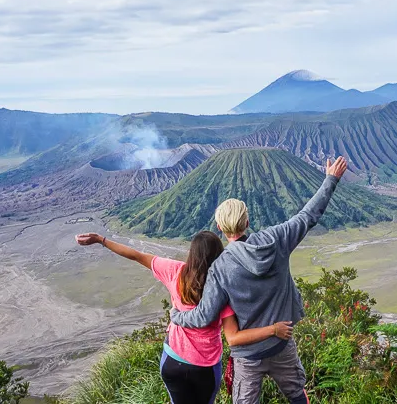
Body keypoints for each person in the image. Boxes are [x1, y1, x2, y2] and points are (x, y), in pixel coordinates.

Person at [170, 156, 349, 404]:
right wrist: (331, 179)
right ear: (247, 222)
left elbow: (204, 316)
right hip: (281, 343)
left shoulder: (220, 269)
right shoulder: (276, 240)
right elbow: (308, 215)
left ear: (220, 228)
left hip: (248, 356)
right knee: (298, 395)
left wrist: (177, 316)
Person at [75, 230, 293, 404]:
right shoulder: (223, 287)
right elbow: (233, 337)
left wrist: (101, 239)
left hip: (172, 360)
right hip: (205, 367)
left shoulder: (175, 271)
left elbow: (136, 255)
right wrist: (273, 329)